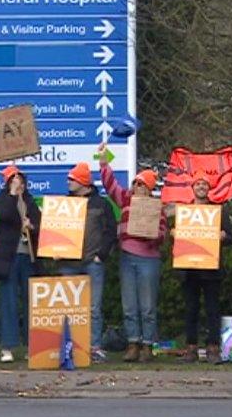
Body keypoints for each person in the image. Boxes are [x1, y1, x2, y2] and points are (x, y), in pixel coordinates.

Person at [99, 145, 168, 363]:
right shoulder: (126, 200)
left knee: (147, 305)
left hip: (149, 260)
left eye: (141, 184)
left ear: (149, 189)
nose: (137, 187)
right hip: (127, 258)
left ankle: (147, 345)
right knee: (129, 304)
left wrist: (151, 234)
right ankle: (132, 343)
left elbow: (163, 235)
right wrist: (103, 162)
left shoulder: (157, 207)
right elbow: (110, 186)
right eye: (135, 183)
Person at [57, 162, 117, 363]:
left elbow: (111, 232)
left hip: (93, 262)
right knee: (69, 308)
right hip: (68, 263)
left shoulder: (101, 204)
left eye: (71, 179)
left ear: (83, 182)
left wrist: (102, 255)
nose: (68, 182)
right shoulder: (64, 204)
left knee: (93, 308)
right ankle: (70, 346)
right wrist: (54, 249)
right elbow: (55, 231)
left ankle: (95, 347)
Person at [174, 171, 232, 364]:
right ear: (192, 188)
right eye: (197, 184)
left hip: (211, 270)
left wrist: (224, 236)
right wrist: (174, 232)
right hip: (189, 269)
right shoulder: (184, 212)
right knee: (190, 309)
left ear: (209, 188)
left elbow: (230, 237)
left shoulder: (218, 211)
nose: (201, 187)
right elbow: (173, 236)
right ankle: (191, 348)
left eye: (204, 184)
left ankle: (213, 349)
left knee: (212, 310)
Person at [0, 165, 41, 364]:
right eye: (13, 180)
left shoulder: (30, 201)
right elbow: (5, 216)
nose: (18, 183)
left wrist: (32, 226)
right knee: (8, 301)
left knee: (31, 302)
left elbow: (39, 223)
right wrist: (12, 194)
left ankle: (31, 345)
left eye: (19, 180)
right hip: (9, 258)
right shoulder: (3, 199)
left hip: (29, 257)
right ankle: (7, 346)